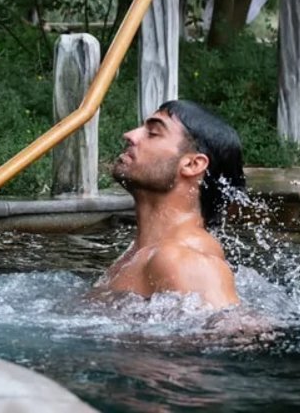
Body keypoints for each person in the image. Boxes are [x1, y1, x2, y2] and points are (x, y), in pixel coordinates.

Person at [99, 100, 245, 309]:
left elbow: (237, 335)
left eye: (153, 133)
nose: (130, 135)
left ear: (192, 164)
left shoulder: (179, 260)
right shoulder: (139, 254)